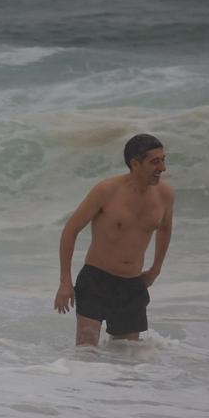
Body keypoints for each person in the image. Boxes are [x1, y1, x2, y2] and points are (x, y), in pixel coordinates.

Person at [53, 134, 174, 346]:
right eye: (155, 161)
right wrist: (65, 281)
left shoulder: (165, 194)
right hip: (96, 281)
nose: (162, 167)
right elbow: (70, 231)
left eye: (164, 160)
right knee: (86, 352)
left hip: (132, 286)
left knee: (125, 358)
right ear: (135, 164)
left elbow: (164, 229)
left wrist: (155, 269)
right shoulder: (106, 191)